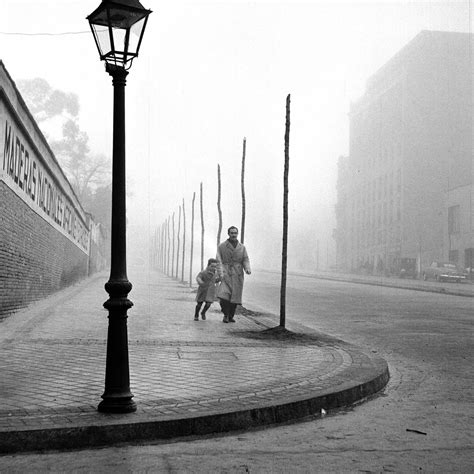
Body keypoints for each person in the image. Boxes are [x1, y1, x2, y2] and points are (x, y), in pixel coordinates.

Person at [216, 226, 251, 323]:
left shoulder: (242, 247)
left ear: (237, 234)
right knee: (223, 296)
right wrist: (220, 273)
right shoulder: (222, 246)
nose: (233, 235)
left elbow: (245, 259)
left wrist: (247, 268)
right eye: (231, 233)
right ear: (228, 234)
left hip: (237, 274)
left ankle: (231, 316)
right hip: (226, 273)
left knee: (235, 297)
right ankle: (226, 314)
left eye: (235, 233)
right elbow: (218, 260)